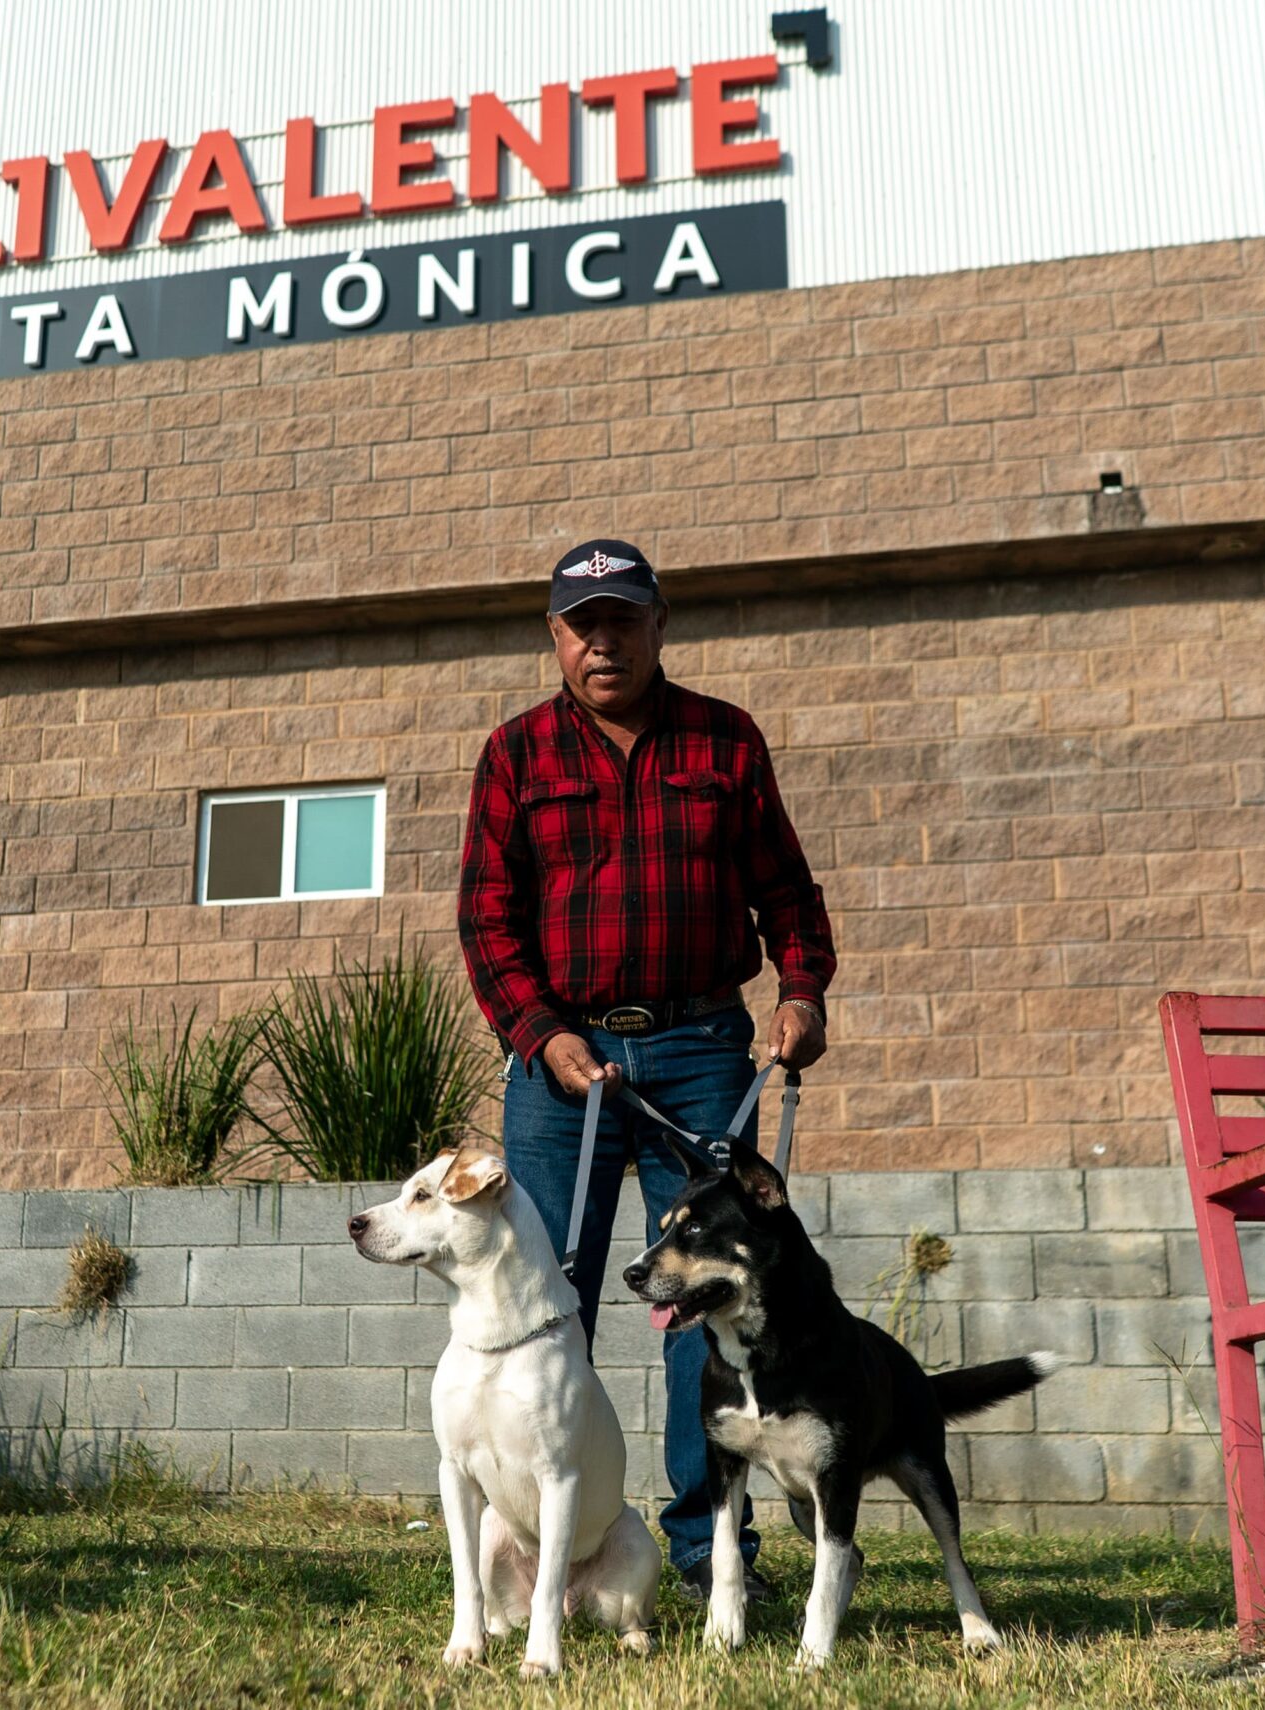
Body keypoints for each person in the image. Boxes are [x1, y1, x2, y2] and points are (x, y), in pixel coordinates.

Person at [457, 537, 836, 1602]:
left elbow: (790, 899)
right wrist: (539, 1030)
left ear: (658, 625)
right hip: (559, 1062)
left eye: (621, 619)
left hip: (701, 1052)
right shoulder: (516, 754)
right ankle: (533, 1557)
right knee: (544, 1306)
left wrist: (801, 991)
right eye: (581, 624)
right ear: (554, 638)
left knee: (710, 1305)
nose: (601, 642)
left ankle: (710, 1556)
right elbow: (486, 922)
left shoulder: (725, 742)